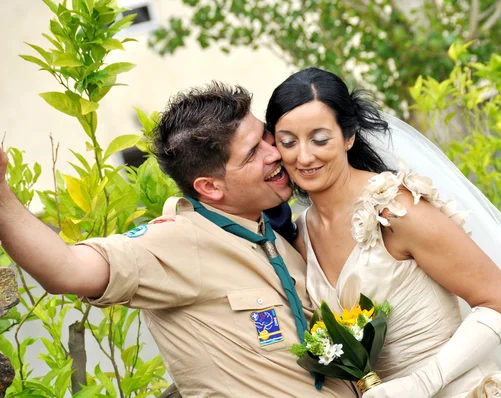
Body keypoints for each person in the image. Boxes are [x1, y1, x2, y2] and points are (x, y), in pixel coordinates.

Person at [0, 83, 358, 397]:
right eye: (253, 153)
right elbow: (67, 271)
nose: (276, 152)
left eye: (265, 136)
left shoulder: (269, 230)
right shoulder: (176, 239)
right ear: (209, 187)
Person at [265, 67, 501, 398]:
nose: (304, 156)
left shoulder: (395, 209)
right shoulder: (303, 234)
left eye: (320, 139)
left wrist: (423, 383)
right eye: (288, 142)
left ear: (349, 136)